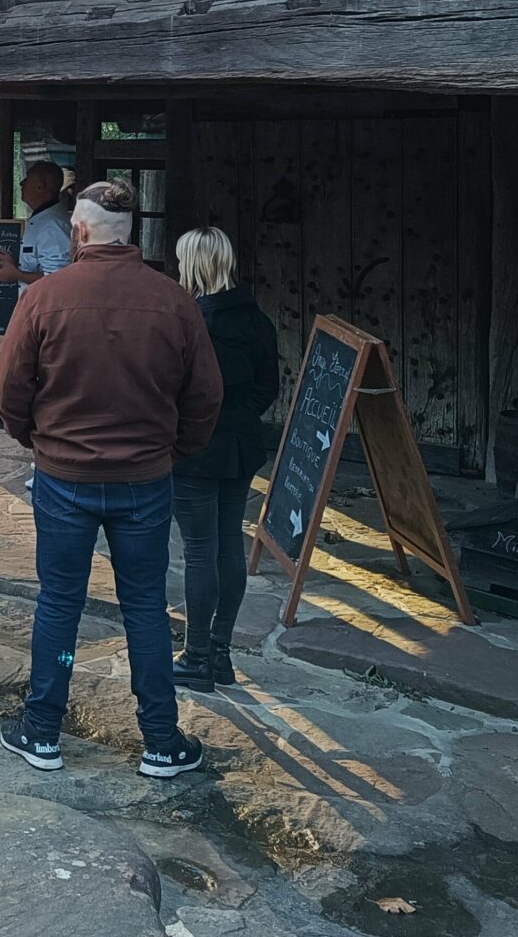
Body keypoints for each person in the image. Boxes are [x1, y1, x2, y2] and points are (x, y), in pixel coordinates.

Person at [0, 180, 223, 779]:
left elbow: (7, 393)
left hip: (64, 476)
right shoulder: (175, 302)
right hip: (145, 478)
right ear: (135, 236)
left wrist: (38, 441)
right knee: (145, 605)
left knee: (59, 601)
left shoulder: (44, 298)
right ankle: (160, 741)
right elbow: (205, 398)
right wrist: (173, 450)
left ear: (78, 231)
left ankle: (42, 732)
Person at [171, 228, 279, 693]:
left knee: (199, 550)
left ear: (193, 264)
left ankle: (196, 656)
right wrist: (235, 416)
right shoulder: (257, 319)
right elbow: (267, 388)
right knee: (229, 546)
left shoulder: (191, 322)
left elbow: (175, 387)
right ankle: (220, 651)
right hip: (240, 444)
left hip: (196, 449)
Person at [0, 160, 73, 289]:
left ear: (40, 186)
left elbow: (58, 277)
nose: (22, 183)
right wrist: (12, 265)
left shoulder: (52, 225)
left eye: (27, 178)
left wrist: (17, 275)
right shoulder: (43, 218)